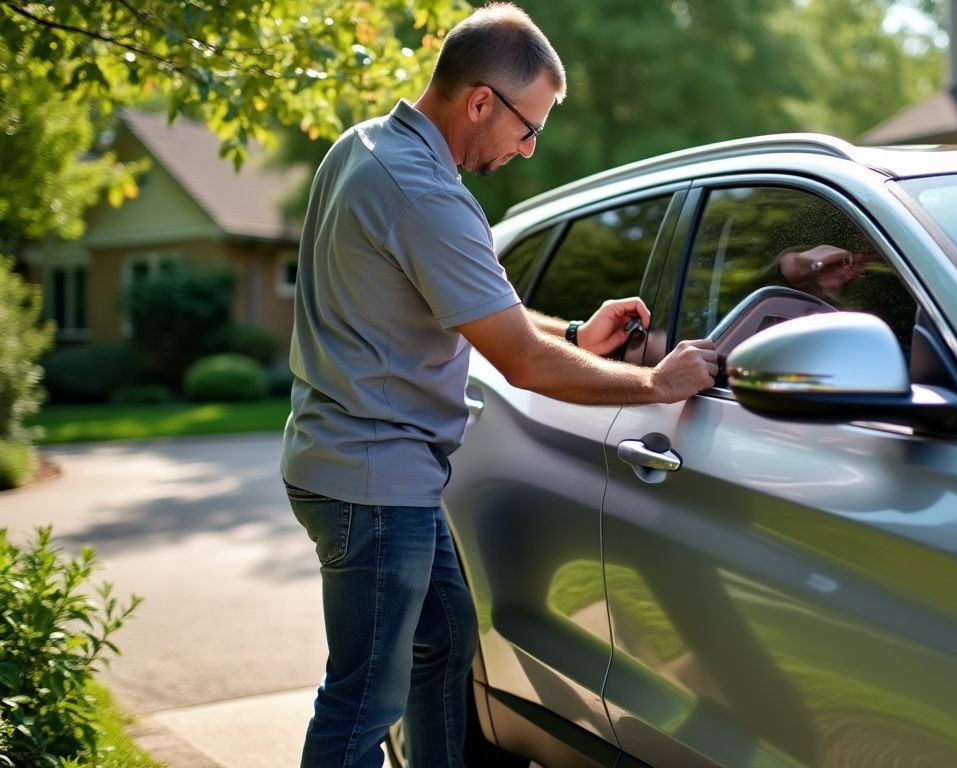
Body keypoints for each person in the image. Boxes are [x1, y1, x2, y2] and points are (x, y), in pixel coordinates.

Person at [278, 4, 718, 767]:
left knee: (444, 647)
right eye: (529, 127)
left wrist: (578, 336)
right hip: (375, 482)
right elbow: (521, 362)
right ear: (481, 100)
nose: (527, 148)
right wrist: (655, 381)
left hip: (363, 467)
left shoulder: (363, 149)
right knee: (360, 706)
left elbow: (497, 316)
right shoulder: (427, 196)